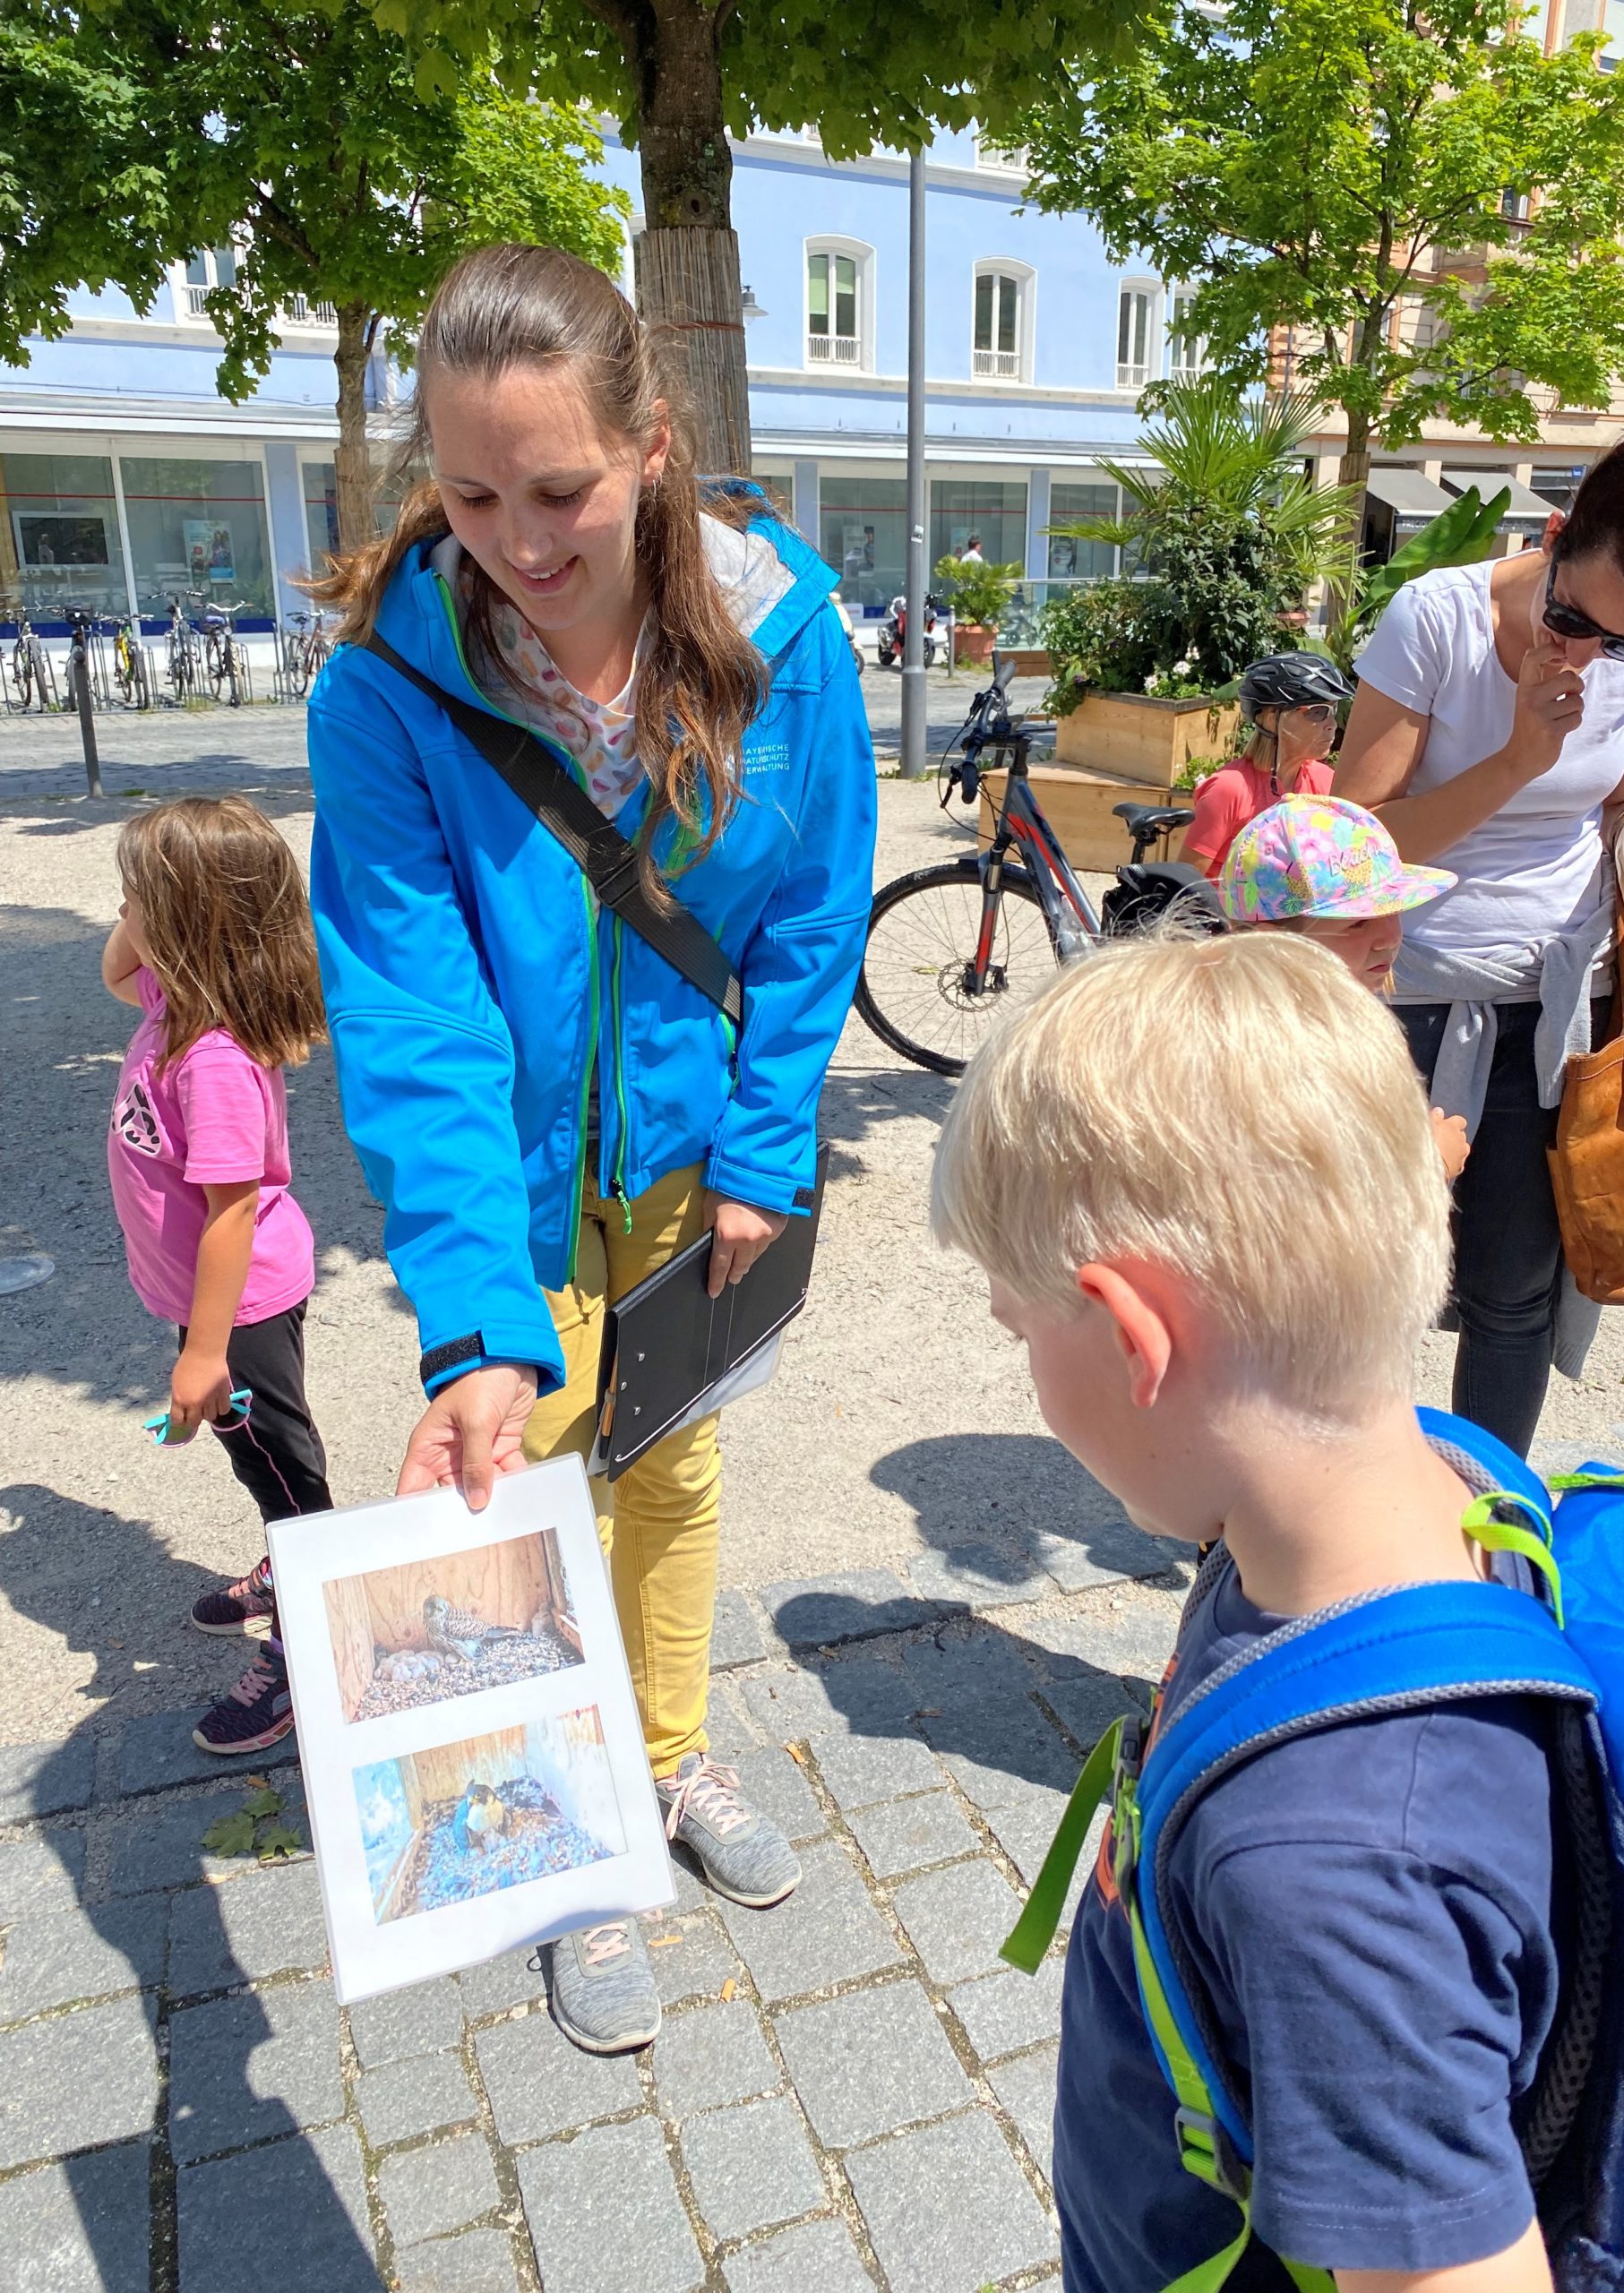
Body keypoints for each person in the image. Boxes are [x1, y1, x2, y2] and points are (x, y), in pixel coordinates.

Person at [305, 243, 876, 2054]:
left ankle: (665, 1752)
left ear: (647, 445)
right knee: (513, 1495)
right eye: (468, 495)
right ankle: (565, 1856)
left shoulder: (783, 636)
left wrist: (771, 1147)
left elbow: (810, 916)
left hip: (695, 1167)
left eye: (558, 489)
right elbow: (417, 1017)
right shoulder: (384, 694)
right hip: (524, 1181)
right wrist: (476, 1310)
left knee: (678, 1476)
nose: (518, 540)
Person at [930, 932, 1560, 2293]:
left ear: (1131, 1335)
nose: (1025, 1378)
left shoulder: (1329, 1871)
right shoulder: (1444, 1480)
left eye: (1015, 1329)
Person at [1336, 385, 1624, 1457]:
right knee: (1359, 1285)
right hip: (1404, 991)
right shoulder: (1438, 620)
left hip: (1559, 998)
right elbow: (1358, 848)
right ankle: (1324, 1519)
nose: (1592, 655)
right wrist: (1516, 761)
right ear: (1553, 540)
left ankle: (1486, 1513)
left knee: (1515, 1291)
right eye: (1572, 620)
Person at [102, 796, 331, 1756]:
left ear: (186, 920)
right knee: (255, 1459)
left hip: (237, 1312)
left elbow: (232, 1212)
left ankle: (311, 1643)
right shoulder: (172, 1000)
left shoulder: (215, 1059)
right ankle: (289, 1574)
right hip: (206, 1309)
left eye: (139, 897)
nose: (125, 913)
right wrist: (149, 901)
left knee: (288, 1476)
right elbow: (117, 967)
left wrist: (204, 1353)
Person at [1217, 793, 1470, 1178]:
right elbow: (1313, 1188)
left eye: (1394, 911)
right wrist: (1428, 1163)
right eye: (1357, 922)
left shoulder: (1338, 1024)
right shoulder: (1275, 1050)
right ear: (1273, 943)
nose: (1390, 937)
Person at [1181, 652, 1352, 881]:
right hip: (1224, 915)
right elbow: (1183, 885)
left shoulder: (1325, 782)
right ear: (1272, 718)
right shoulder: (1229, 790)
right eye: (1318, 712)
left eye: (1334, 711)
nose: (1332, 725)